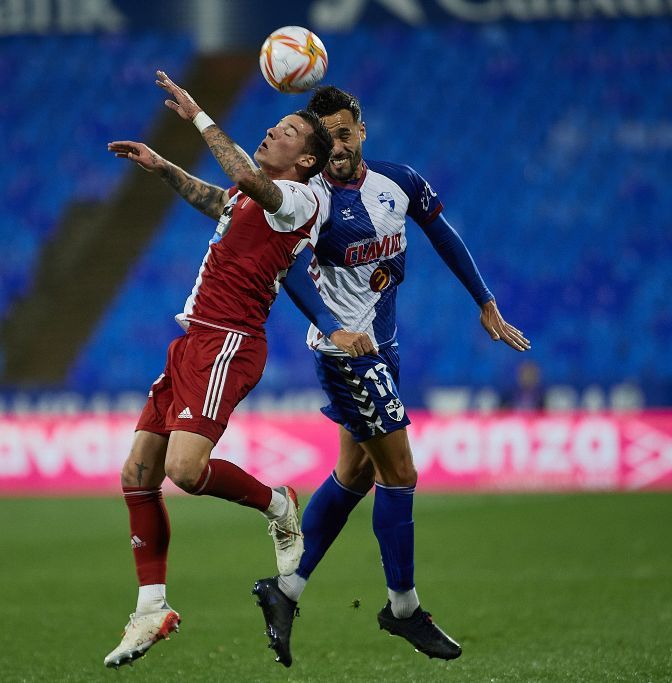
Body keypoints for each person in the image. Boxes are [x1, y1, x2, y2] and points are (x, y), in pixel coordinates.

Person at [102, 72, 374, 669]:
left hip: (230, 342)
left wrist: (199, 115)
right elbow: (218, 198)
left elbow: (244, 178)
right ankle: (151, 608)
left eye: (287, 131)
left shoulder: (303, 199)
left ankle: (277, 503)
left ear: (306, 159)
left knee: (183, 469)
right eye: (275, 125)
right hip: (194, 340)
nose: (272, 130)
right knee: (138, 472)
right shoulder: (253, 195)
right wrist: (164, 167)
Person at [251, 85, 531, 667]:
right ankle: (402, 607)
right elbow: (292, 271)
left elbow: (444, 236)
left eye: (345, 133)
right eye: (326, 138)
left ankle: (286, 588)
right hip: (350, 357)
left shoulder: (396, 182)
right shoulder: (314, 200)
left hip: (385, 351)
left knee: (353, 475)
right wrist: (332, 327)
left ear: (361, 131)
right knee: (399, 472)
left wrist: (484, 300)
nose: (337, 145)